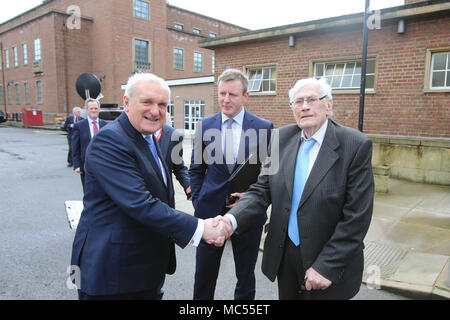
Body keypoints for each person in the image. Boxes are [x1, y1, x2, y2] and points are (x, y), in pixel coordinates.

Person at [70, 73, 231, 300]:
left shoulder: (145, 137)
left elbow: (163, 188)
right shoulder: (110, 141)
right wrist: (201, 228)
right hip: (111, 275)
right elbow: (140, 203)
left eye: (162, 104)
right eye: (147, 102)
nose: (155, 111)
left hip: (141, 269)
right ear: (126, 102)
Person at [221, 77, 374, 300]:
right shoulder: (280, 139)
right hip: (285, 255)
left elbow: (357, 217)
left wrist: (326, 266)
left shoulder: (355, 145)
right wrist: (230, 221)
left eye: (311, 99)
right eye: (297, 102)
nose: (304, 106)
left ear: (328, 105)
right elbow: (262, 190)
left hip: (327, 261)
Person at [189, 69, 273, 300]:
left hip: (247, 216)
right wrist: (199, 202)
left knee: (245, 276)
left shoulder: (264, 127)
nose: (226, 100)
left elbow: (269, 175)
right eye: (222, 93)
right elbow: (196, 170)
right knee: (204, 275)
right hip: (209, 215)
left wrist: (249, 197)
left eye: (232, 94)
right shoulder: (204, 125)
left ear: (246, 96)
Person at [71, 99, 108, 192]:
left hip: (104, 165)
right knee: (88, 191)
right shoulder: (79, 126)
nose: (94, 110)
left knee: (104, 190)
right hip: (86, 165)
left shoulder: (106, 125)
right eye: (91, 108)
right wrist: (76, 165)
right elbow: (75, 147)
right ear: (87, 110)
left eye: (96, 108)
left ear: (99, 109)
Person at [156, 122, 191, 200]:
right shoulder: (124, 133)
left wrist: (188, 185)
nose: (155, 111)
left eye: (161, 108)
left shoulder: (174, 135)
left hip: (165, 202)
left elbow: (178, 167)